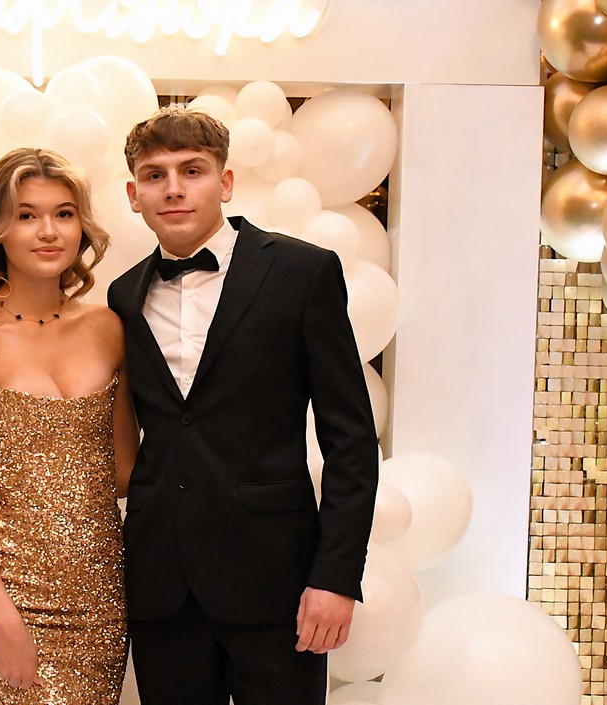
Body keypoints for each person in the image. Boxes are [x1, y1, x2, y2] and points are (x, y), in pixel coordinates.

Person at [105, 107, 379, 705]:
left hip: (277, 583)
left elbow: (351, 440)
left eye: (192, 171)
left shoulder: (303, 272)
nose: (173, 188)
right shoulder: (123, 295)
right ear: (133, 194)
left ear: (225, 182)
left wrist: (336, 577)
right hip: (162, 587)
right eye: (154, 175)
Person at [0, 147, 139, 704]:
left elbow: (124, 473)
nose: (48, 231)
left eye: (64, 213)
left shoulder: (108, 328)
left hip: (103, 596)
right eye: (26, 215)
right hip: (15, 599)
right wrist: (3, 621)